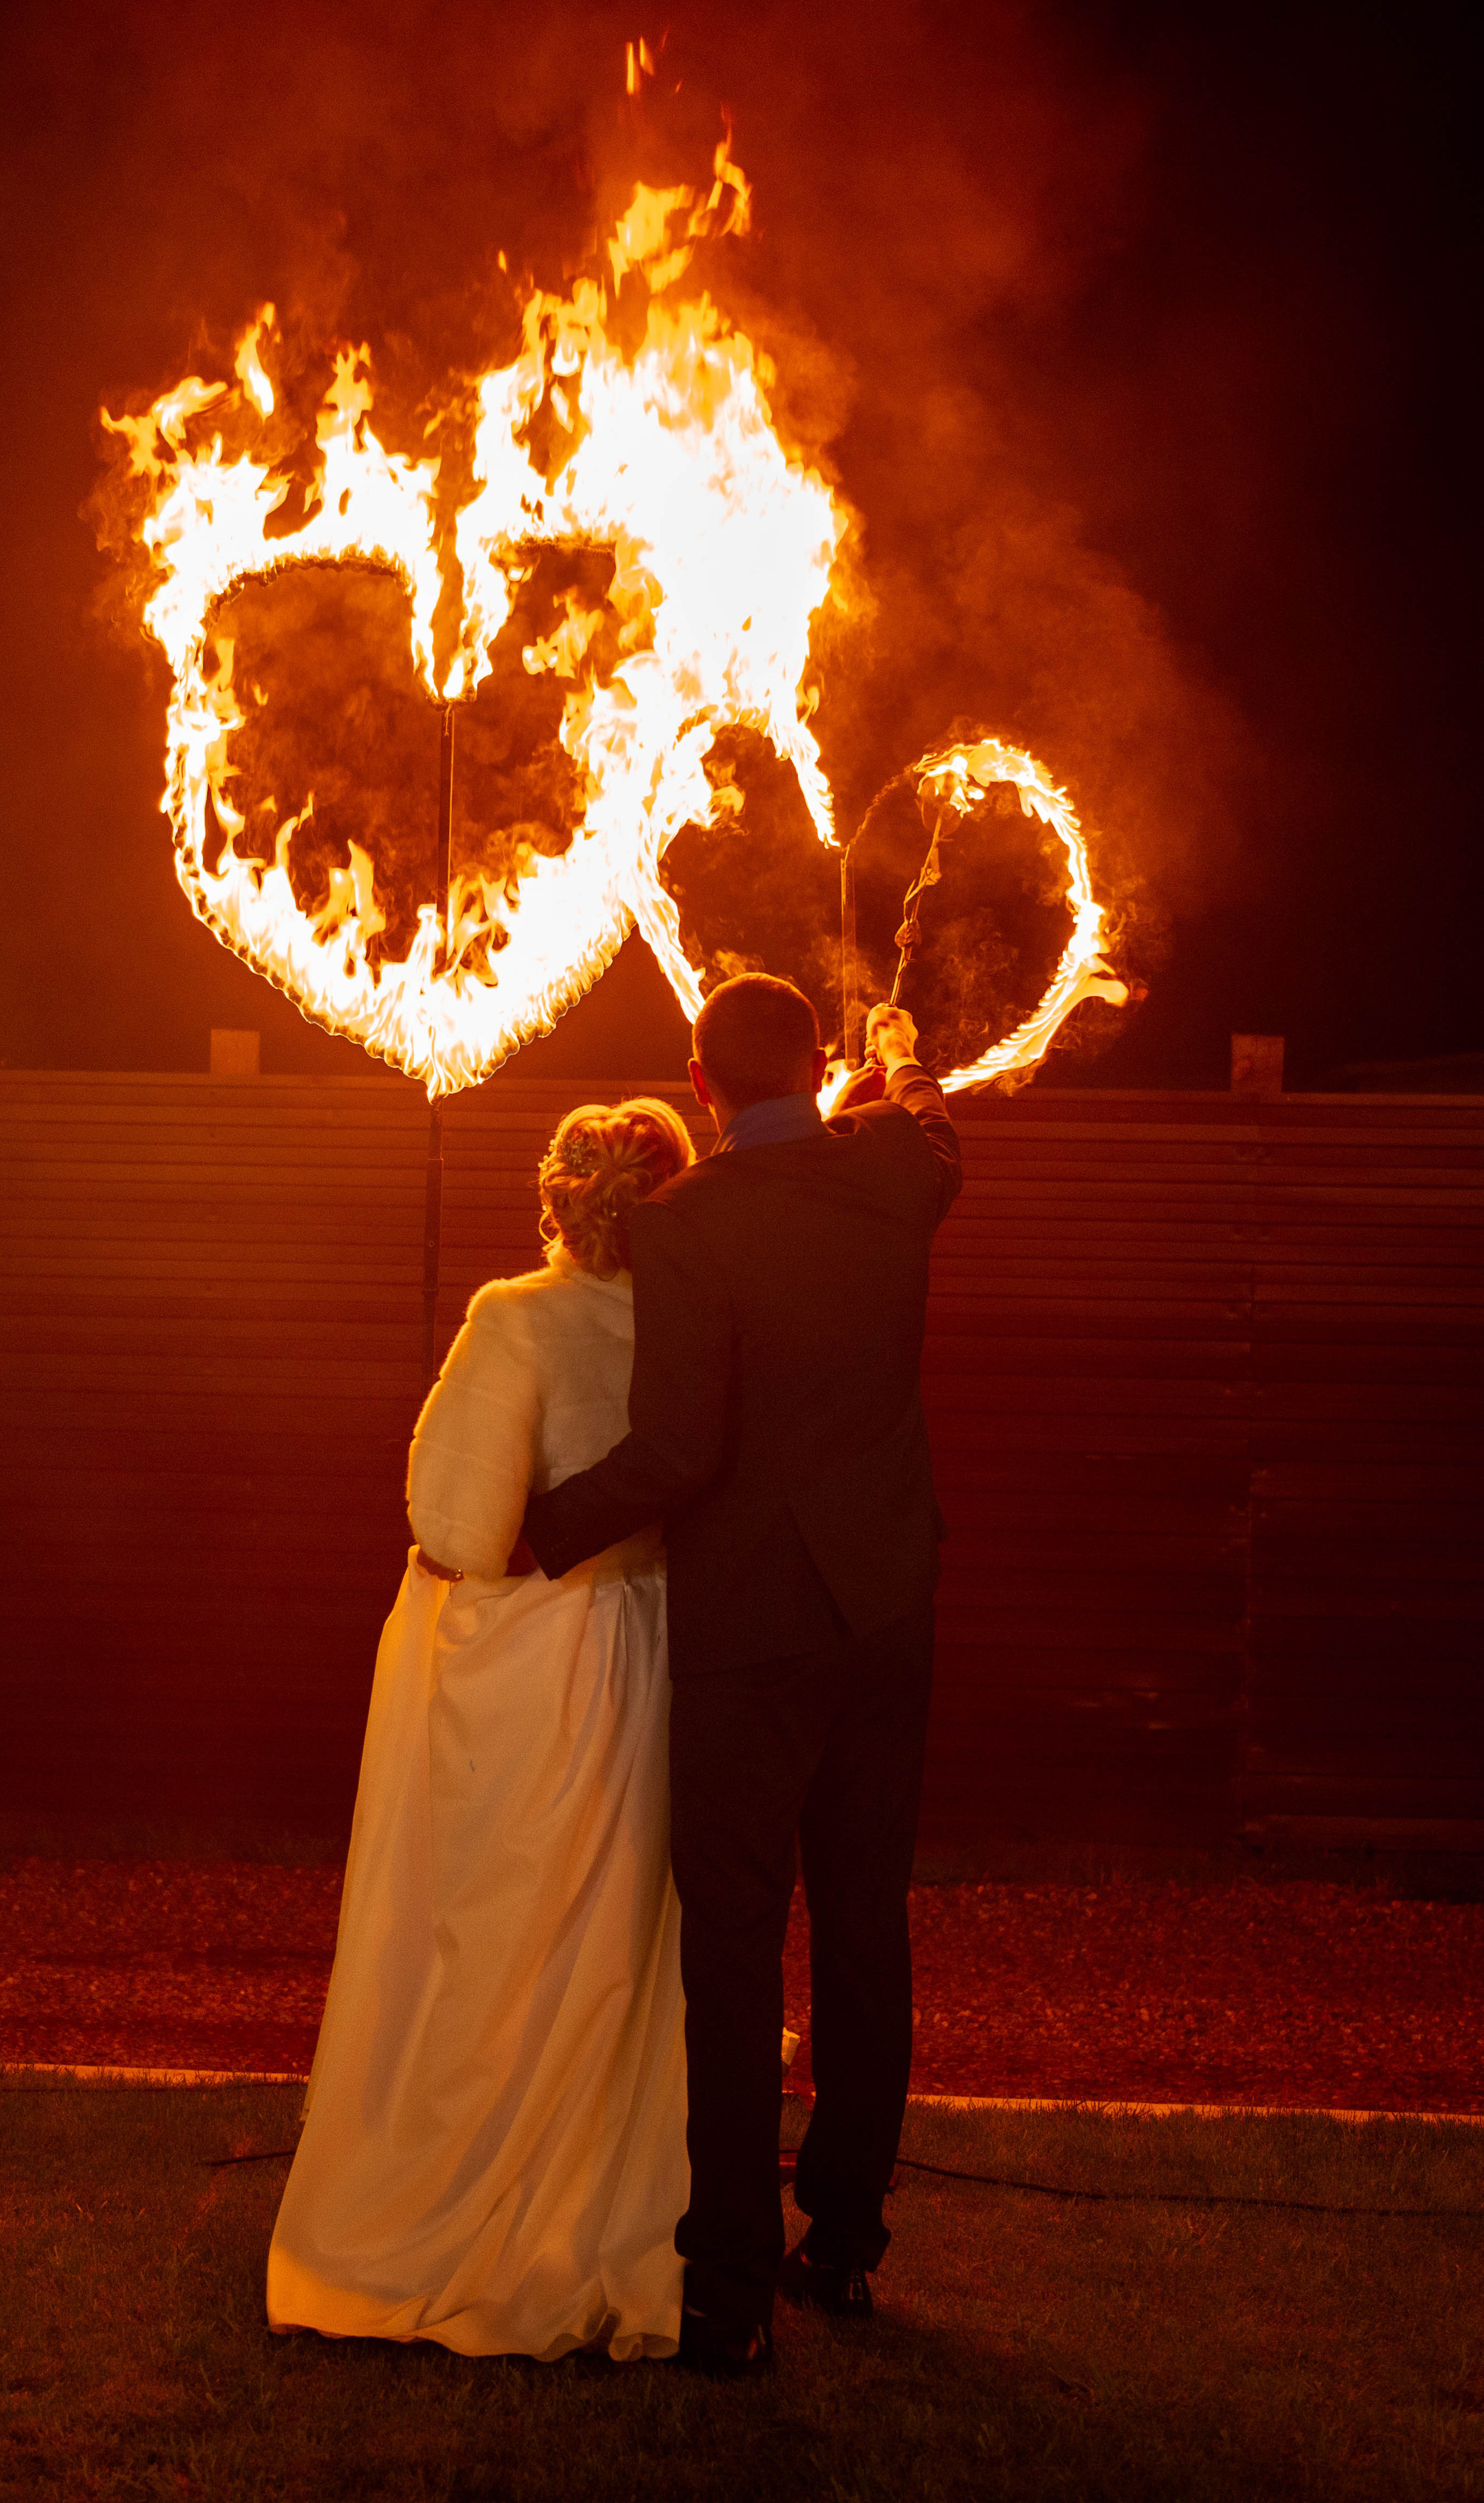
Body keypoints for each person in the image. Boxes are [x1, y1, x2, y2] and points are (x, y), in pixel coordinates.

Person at [521, 976, 961, 2372]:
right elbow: (934, 1130)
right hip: (885, 1615)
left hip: (756, 1631)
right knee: (864, 1926)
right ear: (819, 1070)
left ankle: (726, 2293)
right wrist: (902, 1057)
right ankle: (843, 2243)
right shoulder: (898, 1173)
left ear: (698, 1085)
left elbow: (675, 1452)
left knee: (730, 1949)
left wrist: (537, 1530)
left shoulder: (686, 1224)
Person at [267, 1097, 696, 2361]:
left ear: (562, 1196)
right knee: (619, 1936)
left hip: (543, 1658)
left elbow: (461, 1524)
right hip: (657, 1647)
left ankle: (454, 2212)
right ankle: (601, 2204)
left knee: (496, 1927)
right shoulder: (691, 1324)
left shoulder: (515, 1316)